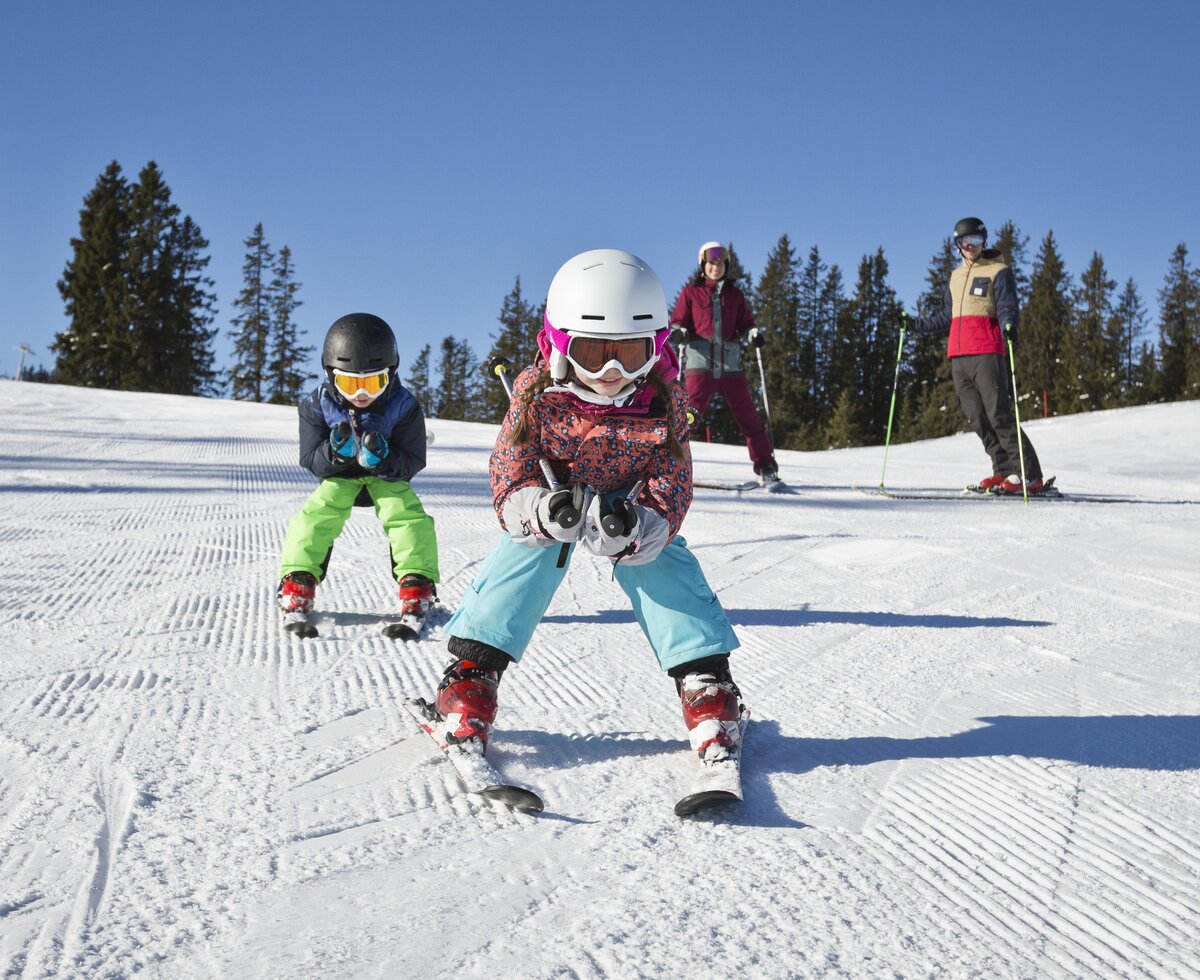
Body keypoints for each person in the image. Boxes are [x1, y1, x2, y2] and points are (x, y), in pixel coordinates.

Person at [432, 248, 746, 778]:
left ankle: (705, 680)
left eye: (630, 351)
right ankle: (471, 674)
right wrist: (533, 507)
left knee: (662, 561)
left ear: (656, 347)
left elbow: (673, 479)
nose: (612, 371)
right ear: (559, 345)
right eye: (594, 351)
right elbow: (509, 468)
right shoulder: (535, 394)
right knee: (527, 552)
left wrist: (648, 522)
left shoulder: (663, 400)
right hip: (554, 502)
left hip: (626, 507)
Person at [276, 313, 440, 631]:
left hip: (385, 476)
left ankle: (417, 585)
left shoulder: (404, 406)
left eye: (373, 382)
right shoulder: (317, 405)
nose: (360, 394)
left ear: (390, 375)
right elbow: (310, 458)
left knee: (407, 515)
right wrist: (335, 454)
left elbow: (414, 459)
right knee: (317, 513)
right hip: (341, 475)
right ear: (330, 374)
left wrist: (384, 459)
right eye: (349, 383)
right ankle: (297, 581)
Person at [904, 217, 1046, 494]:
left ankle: (1029, 475)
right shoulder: (956, 277)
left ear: (985, 242)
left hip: (987, 352)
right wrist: (915, 326)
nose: (970, 247)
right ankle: (1003, 470)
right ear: (957, 246)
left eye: (976, 242)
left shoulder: (998, 270)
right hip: (959, 356)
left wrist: (1010, 325)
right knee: (977, 418)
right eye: (964, 242)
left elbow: (1007, 304)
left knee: (998, 414)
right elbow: (948, 316)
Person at [669, 240, 782, 490]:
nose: (715, 268)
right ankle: (668, 462)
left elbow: (746, 323)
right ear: (703, 265)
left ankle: (766, 467)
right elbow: (677, 321)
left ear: (726, 266)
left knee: (749, 418)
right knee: (688, 416)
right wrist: (678, 332)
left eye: (720, 263)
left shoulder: (735, 295)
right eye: (710, 263)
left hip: (731, 367)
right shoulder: (691, 293)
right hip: (700, 363)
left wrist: (753, 333)